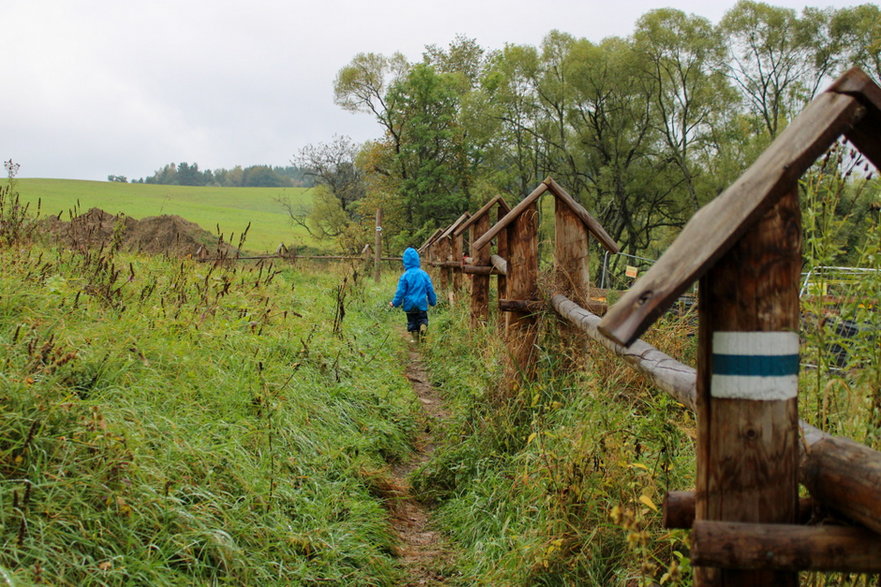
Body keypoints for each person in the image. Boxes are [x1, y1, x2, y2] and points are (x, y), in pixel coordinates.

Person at [389, 247, 437, 342]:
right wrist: (433, 301)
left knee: (412, 322)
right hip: (421, 304)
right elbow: (430, 289)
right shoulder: (424, 274)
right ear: (417, 260)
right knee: (422, 318)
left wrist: (395, 303)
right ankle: (423, 326)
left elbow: (400, 292)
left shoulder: (405, 276)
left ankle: (415, 339)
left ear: (405, 261)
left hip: (409, 305)